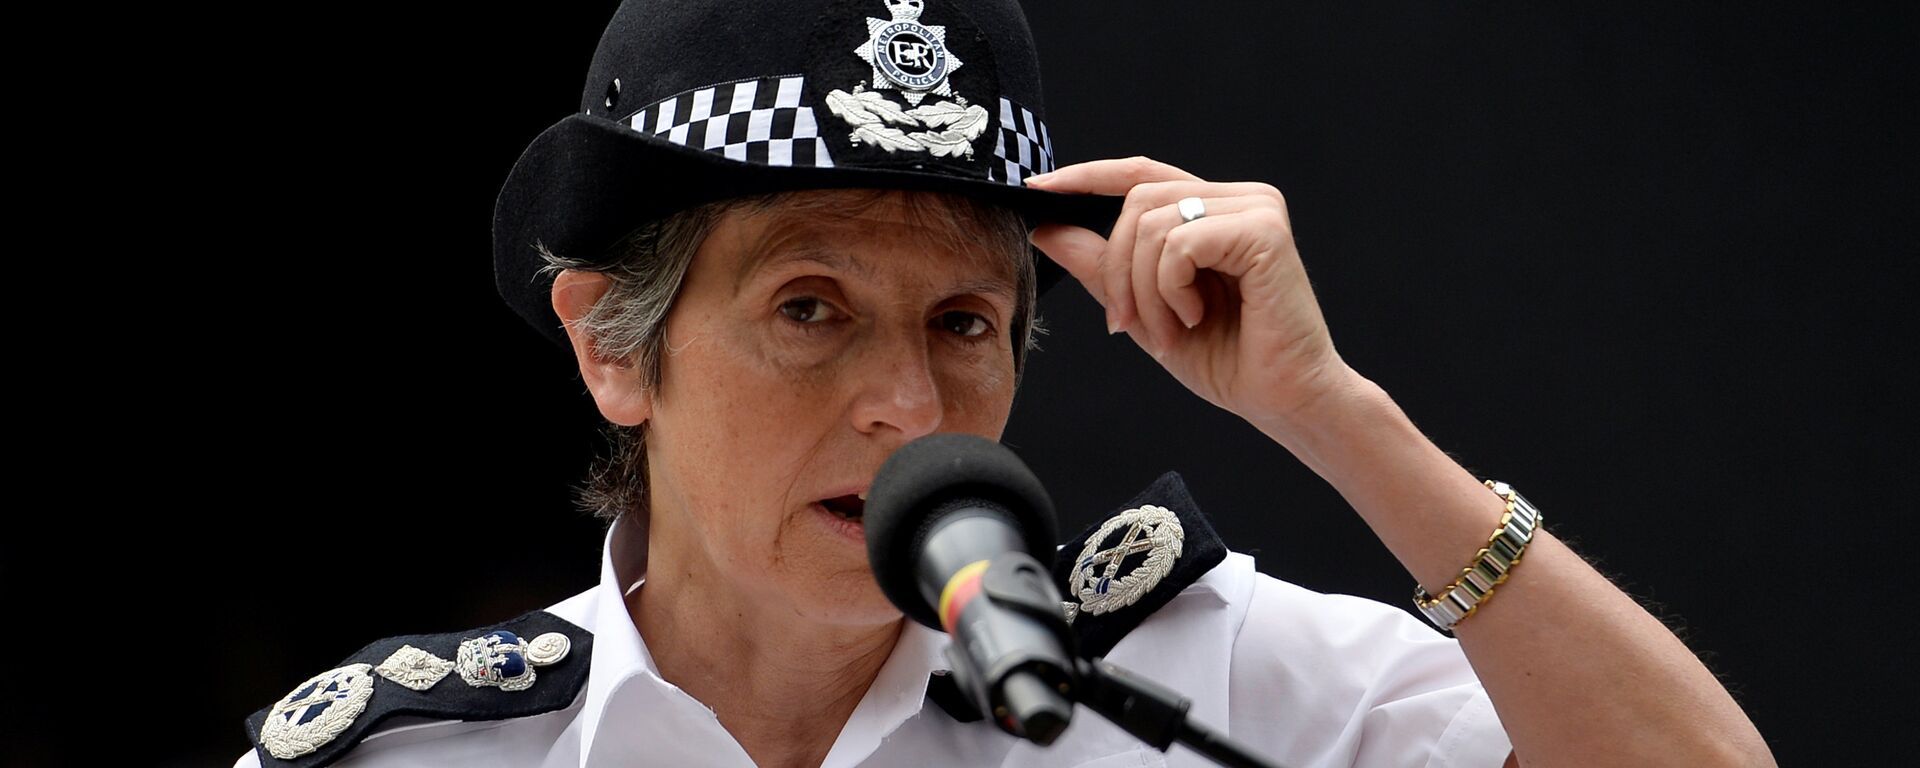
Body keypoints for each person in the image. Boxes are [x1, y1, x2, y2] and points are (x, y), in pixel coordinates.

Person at [235, 1, 1774, 766]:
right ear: (611, 347)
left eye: (964, 322)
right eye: (811, 308)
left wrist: (1333, 413)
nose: (906, 402)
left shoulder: (1206, 679)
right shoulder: (424, 752)